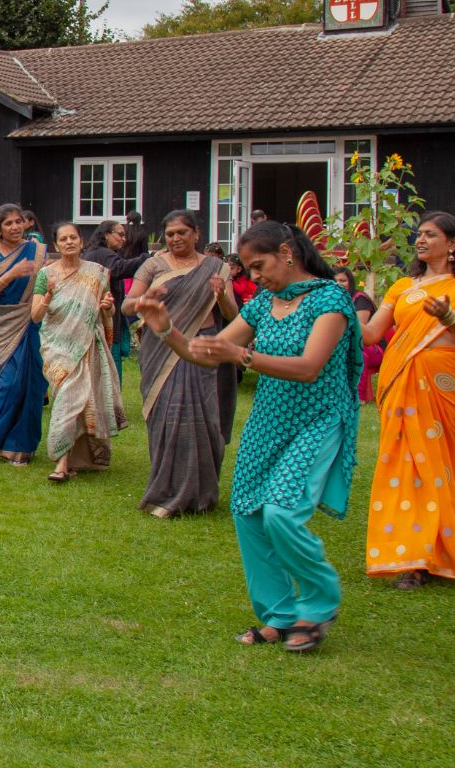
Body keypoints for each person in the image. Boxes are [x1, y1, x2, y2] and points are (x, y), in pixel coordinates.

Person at [129, 220, 363, 653]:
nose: (254, 277)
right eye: (249, 269)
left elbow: (310, 367)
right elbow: (206, 354)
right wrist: (166, 329)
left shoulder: (331, 300)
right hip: (269, 420)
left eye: (259, 265)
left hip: (317, 419)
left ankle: (319, 601)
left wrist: (244, 355)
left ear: (287, 252)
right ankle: (280, 615)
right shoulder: (263, 305)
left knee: (281, 513)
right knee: (248, 513)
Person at [358, 212, 455, 589]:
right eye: (418, 235)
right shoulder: (403, 286)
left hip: (449, 389)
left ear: (452, 244)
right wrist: (337, 309)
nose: (420, 240)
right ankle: (411, 556)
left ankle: (433, 553)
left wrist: (448, 316)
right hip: (402, 384)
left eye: (430, 235)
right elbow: (372, 334)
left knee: (439, 470)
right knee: (404, 468)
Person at [123, 210, 235, 519]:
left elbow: (234, 314)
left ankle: (202, 495)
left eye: (182, 233)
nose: (175, 239)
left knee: (206, 420)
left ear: (196, 234)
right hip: (161, 348)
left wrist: (221, 295)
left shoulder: (216, 268)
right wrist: (148, 295)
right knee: (167, 418)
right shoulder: (153, 264)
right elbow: (127, 305)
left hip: (203, 346)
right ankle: (167, 494)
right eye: (170, 234)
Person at [33, 221, 126, 482]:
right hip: (57, 347)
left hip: (87, 344)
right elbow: (36, 315)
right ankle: (64, 455)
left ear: (81, 242)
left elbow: (107, 310)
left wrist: (108, 305)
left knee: (84, 400)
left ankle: (66, 462)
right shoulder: (46, 275)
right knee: (65, 398)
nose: (69, 242)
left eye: (73, 237)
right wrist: (48, 298)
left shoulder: (97, 273)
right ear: (56, 245)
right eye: (63, 239)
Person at [0, 204, 47, 466]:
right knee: (10, 382)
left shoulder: (36, 251)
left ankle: (18, 446)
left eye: (19, 221)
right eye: (8, 223)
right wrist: (11, 275)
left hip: (30, 321)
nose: (15, 227)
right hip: (0, 323)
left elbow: (46, 284)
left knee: (33, 384)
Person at [83, 218, 149, 382]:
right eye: (120, 234)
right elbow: (120, 268)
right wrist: (148, 258)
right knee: (110, 364)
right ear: (106, 234)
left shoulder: (93, 252)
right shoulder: (103, 253)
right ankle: (110, 404)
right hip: (105, 318)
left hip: (95, 316)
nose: (124, 239)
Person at [334, 269, 384, 402]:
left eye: (342, 280)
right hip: (345, 343)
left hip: (375, 347)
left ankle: (358, 397)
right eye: (335, 281)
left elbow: (358, 331)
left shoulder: (360, 299)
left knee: (355, 350)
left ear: (350, 282)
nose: (338, 284)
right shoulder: (331, 300)